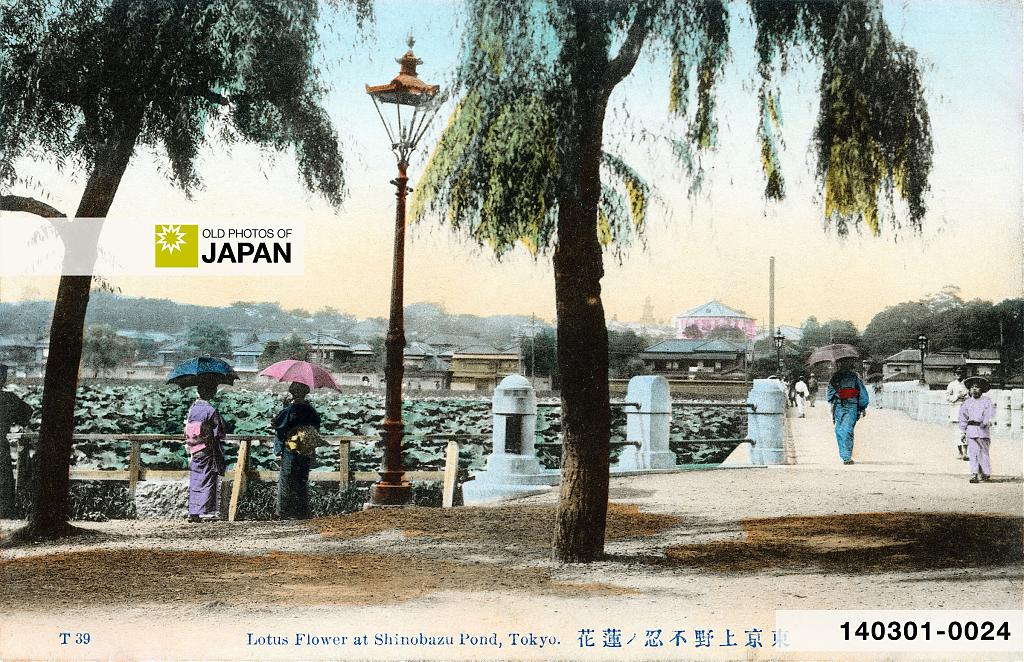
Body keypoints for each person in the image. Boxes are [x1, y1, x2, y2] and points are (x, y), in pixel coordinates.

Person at [272, 382, 321, 519]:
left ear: (292, 393)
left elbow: (278, 425)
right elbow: (316, 426)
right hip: (305, 448)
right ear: (305, 393)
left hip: (290, 448)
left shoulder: (289, 410)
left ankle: (283, 512)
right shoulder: (311, 410)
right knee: (301, 479)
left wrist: (283, 407)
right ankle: (301, 512)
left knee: (287, 479)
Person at [184, 379, 227, 522]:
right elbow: (218, 432)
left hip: (194, 448)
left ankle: (193, 511)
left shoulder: (192, 409)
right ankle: (205, 511)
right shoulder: (211, 410)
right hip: (207, 448)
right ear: (212, 393)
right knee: (207, 478)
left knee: (196, 479)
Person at [0, 365, 33, 519]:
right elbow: (26, 416)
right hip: (0, 445)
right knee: (3, 477)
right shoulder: (9, 399)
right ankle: (5, 511)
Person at [826, 357, 869, 465]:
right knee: (839, 429)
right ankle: (844, 455)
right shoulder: (835, 377)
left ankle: (847, 456)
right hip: (839, 406)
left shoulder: (854, 377)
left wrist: (862, 406)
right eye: (842, 364)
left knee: (847, 429)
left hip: (851, 405)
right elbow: (830, 392)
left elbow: (861, 392)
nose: (844, 366)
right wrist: (837, 393)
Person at [959, 376, 996, 483]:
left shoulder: (987, 401)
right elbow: (963, 417)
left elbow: (990, 413)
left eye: (977, 387)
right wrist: (962, 432)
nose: (974, 389)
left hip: (982, 430)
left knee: (983, 452)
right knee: (973, 452)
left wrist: (985, 421)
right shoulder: (967, 403)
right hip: (971, 430)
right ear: (969, 390)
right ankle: (974, 474)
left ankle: (985, 473)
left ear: (982, 389)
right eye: (972, 388)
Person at [945, 368, 969, 460]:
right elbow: (947, 397)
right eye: (957, 373)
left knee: (965, 431)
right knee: (957, 432)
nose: (959, 375)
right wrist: (956, 397)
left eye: (961, 373)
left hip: (965, 409)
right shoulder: (952, 384)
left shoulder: (966, 384)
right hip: (955, 409)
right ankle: (960, 451)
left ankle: (965, 453)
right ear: (954, 374)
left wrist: (965, 397)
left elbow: (971, 396)